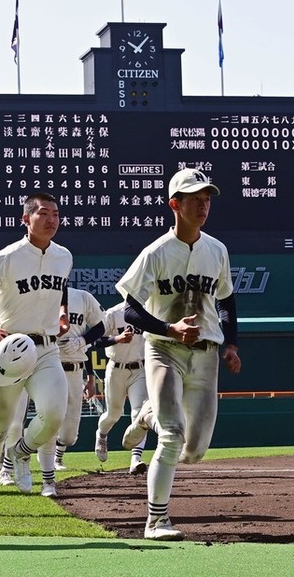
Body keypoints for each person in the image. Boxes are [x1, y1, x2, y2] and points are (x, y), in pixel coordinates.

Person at [115, 168, 241, 541]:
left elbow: (227, 300)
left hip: (205, 354)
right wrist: (169, 329)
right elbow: (130, 309)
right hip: (164, 350)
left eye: (207, 199)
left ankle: (146, 414)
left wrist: (231, 343)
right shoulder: (155, 253)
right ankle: (156, 521)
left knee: (194, 450)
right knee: (172, 437)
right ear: (175, 204)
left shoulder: (216, 249)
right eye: (194, 199)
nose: (203, 204)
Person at [0, 192, 72, 518]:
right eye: (43, 213)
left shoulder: (64, 255)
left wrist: (63, 311)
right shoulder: (7, 257)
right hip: (9, 350)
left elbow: (57, 288)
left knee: (54, 415)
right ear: (25, 219)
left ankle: (21, 452)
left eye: (55, 213)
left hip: (46, 349)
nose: (51, 219)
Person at [50, 287, 105, 475]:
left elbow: (100, 327)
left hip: (74, 367)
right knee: (49, 415)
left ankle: (58, 454)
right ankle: (48, 459)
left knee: (70, 433)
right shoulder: (39, 294)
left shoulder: (81, 297)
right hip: (47, 364)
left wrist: (81, 341)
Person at [92, 302, 149, 474]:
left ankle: (135, 459)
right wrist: (117, 339)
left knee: (139, 414)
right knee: (113, 414)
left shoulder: (150, 311)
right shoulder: (114, 313)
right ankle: (101, 435)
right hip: (116, 369)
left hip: (140, 369)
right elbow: (96, 341)